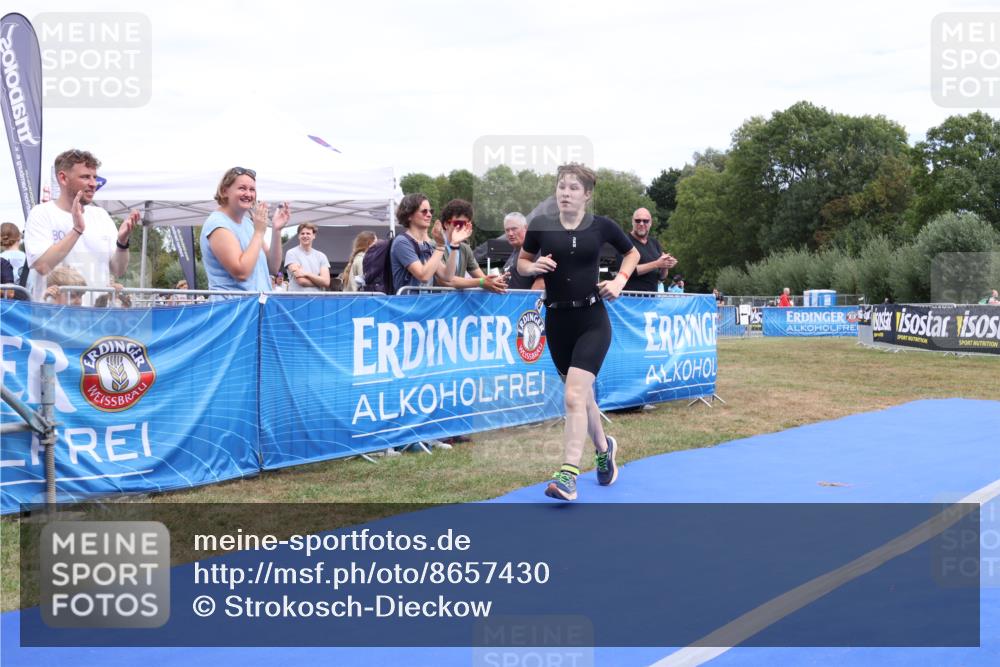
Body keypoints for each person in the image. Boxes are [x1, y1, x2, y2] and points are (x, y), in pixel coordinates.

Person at [518, 164, 639, 501]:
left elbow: (631, 253)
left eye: (573, 188)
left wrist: (619, 280)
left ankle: (568, 474)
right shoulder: (541, 226)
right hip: (557, 322)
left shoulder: (602, 226)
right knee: (582, 397)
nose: (565, 193)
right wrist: (533, 266)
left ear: (587, 194)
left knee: (573, 396)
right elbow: (522, 262)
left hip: (592, 320)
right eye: (561, 186)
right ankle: (604, 448)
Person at [24, 150, 140, 305]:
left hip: (95, 314)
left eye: (94, 177)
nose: (93, 184)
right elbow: (42, 266)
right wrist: (76, 230)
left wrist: (122, 243)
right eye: (85, 177)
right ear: (63, 178)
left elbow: (118, 270)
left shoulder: (101, 216)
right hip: (55, 315)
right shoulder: (42, 213)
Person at [199, 167, 289, 295]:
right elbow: (241, 273)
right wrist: (259, 232)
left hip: (256, 304)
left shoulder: (248, 223)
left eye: (252, 189)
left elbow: (273, 267)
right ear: (224, 191)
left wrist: (276, 230)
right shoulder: (217, 224)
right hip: (235, 305)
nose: (248, 194)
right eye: (242, 188)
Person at [389, 193, 463, 294]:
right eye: (424, 211)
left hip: (424, 302)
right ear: (409, 215)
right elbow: (423, 276)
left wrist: (455, 245)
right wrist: (440, 247)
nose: (429, 215)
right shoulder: (401, 242)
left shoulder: (426, 245)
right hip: (407, 303)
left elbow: (447, 276)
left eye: (430, 211)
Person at [437, 199, 506, 293]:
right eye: (458, 224)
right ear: (446, 224)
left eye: (466, 224)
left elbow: (483, 279)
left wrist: (495, 281)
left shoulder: (465, 248)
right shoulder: (434, 246)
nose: (462, 228)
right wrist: (481, 282)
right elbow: (446, 281)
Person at [615, 208, 677, 292]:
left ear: (650, 223)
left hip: (652, 297)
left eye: (645, 221)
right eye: (638, 221)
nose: (641, 224)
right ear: (632, 222)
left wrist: (665, 264)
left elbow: (661, 277)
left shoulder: (655, 243)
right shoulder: (624, 241)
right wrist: (657, 264)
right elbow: (626, 271)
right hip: (630, 297)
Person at [501, 212, 542, 290]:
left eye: (514, 229)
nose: (510, 233)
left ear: (526, 228)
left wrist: (529, 298)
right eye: (507, 230)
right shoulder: (515, 253)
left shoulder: (535, 250)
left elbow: (541, 282)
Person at [284, 222, 330, 292]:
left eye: (308, 233)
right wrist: (320, 282)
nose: (305, 236)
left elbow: (326, 282)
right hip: (297, 298)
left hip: (317, 297)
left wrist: (305, 273)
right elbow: (302, 281)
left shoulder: (321, 256)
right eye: (302, 233)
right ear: (298, 236)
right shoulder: (291, 253)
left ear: (314, 236)